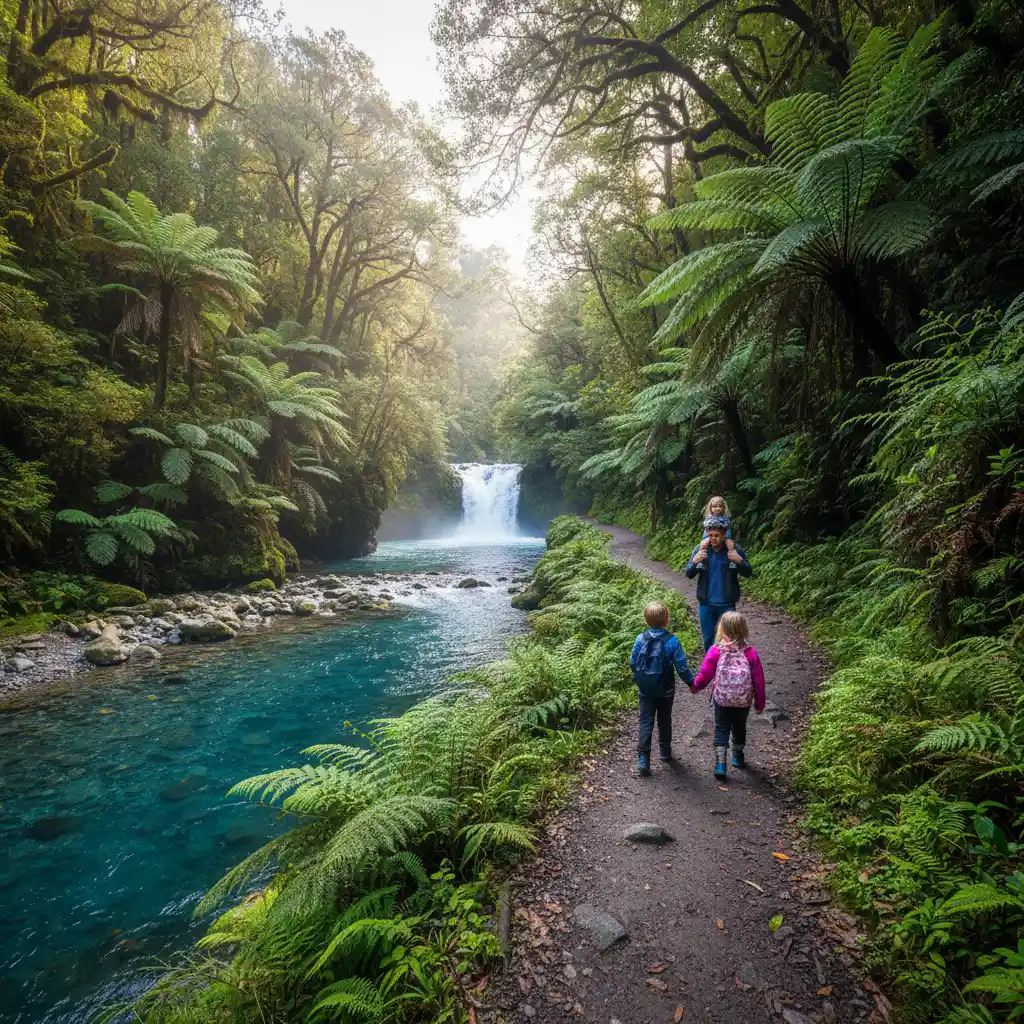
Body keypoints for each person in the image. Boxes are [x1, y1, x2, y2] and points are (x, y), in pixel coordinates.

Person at [690, 611, 765, 780]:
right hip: (743, 700)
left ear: (721, 629)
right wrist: (759, 703)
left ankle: (720, 764)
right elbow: (759, 680)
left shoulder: (716, 650)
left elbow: (705, 674)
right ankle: (738, 757)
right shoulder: (750, 653)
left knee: (721, 728)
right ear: (743, 630)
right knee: (739, 727)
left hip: (722, 699)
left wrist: (696, 687)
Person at [630, 600, 694, 777]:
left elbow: (632, 661)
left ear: (646, 620)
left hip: (646, 689)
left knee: (646, 720)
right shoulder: (672, 641)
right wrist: (691, 683)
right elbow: (681, 666)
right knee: (664, 719)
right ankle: (665, 752)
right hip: (666, 688)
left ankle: (643, 758)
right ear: (666, 620)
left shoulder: (640, 639)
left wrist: (641, 679)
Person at [685, 515, 753, 653]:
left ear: (724, 534)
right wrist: (695, 561)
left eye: (716, 535)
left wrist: (739, 561)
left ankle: (729, 669)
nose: (713, 538)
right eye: (710, 535)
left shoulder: (733, 550)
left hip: (727, 604)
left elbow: (748, 572)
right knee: (709, 640)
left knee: (731, 640)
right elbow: (689, 573)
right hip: (706, 604)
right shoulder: (701, 549)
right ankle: (711, 670)